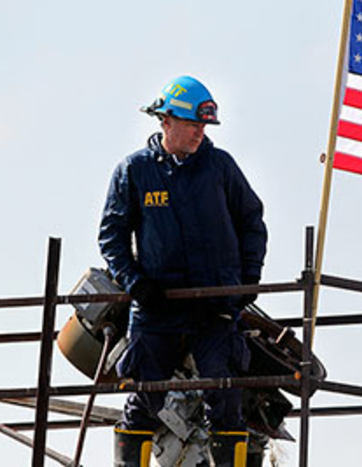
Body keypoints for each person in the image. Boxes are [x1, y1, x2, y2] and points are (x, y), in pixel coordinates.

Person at [98, 75, 268, 466]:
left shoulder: (220, 167)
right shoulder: (135, 172)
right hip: (157, 308)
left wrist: (247, 282)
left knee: (224, 398)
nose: (200, 133)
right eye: (194, 124)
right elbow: (112, 236)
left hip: (215, 307)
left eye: (204, 126)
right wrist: (135, 283)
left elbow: (252, 222)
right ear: (166, 120)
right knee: (144, 400)